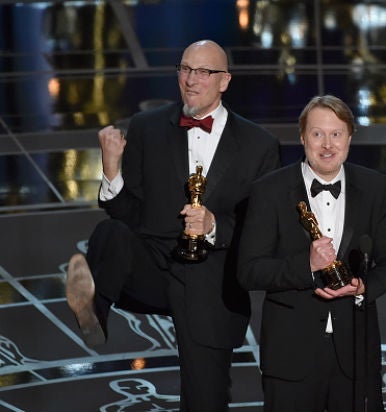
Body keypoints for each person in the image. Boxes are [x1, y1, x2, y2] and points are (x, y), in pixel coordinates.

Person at [65, 40, 280, 411]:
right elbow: (129, 214)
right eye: (185, 69)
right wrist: (111, 170)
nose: (191, 80)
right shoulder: (147, 127)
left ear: (224, 81)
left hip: (212, 283)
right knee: (110, 233)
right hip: (154, 268)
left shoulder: (259, 145)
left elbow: (262, 230)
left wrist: (214, 225)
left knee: (205, 399)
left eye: (203, 72)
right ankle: (93, 313)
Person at [237, 95, 386, 411]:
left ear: (349, 137)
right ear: (303, 137)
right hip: (290, 356)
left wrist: (363, 286)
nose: (328, 145)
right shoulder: (269, 190)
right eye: (317, 134)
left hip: (356, 353)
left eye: (336, 134)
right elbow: (249, 271)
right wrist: (307, 265)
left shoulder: (375, 187)